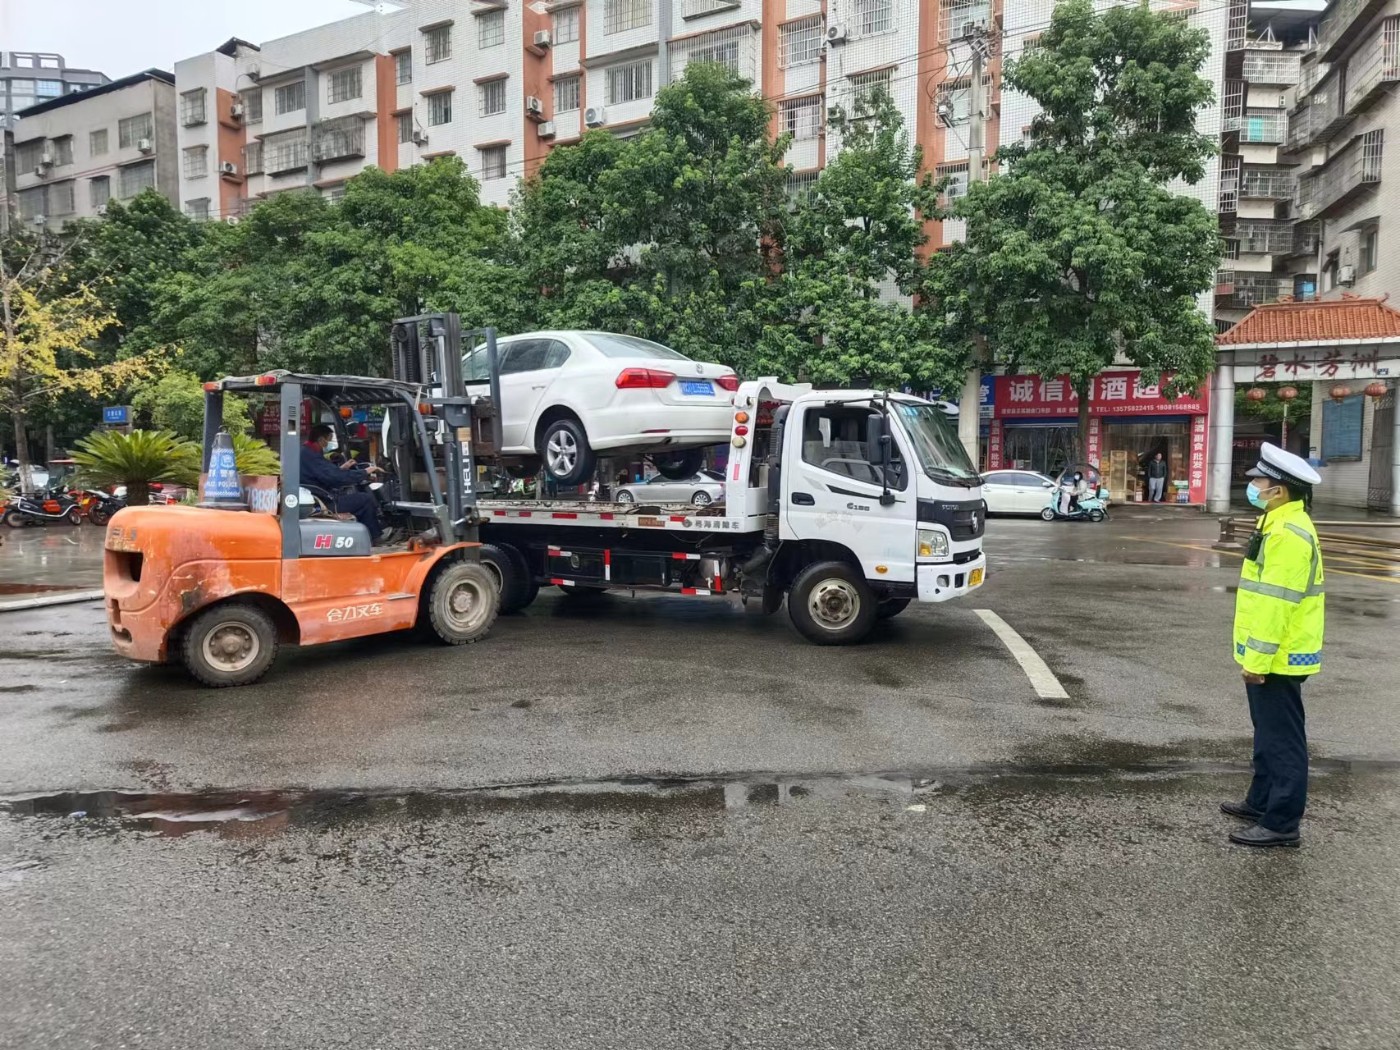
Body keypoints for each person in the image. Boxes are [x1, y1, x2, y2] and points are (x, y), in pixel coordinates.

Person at [1223, 442, 1324, 848]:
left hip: (1278, 657)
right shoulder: (1275, 522)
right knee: (1267, 733)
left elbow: (1276, 603)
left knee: (1282, 740)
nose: (1254, 487)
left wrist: (1258, 661)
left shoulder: (1288, 534)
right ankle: (1261, 800)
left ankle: (1281, 823)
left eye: (1259, 482)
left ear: (1278, 490)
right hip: (1271, 653)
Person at [301, 424, 389, 541]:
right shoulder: (312, 456)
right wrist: (365, 472)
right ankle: (375, 537)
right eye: (329, 439)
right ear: (321, 439)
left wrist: (342, 468)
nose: (329, 443)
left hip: (318, 495)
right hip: (324, 501)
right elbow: (335, 478)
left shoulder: (307, 452)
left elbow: (324, 473)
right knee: (365, 499)